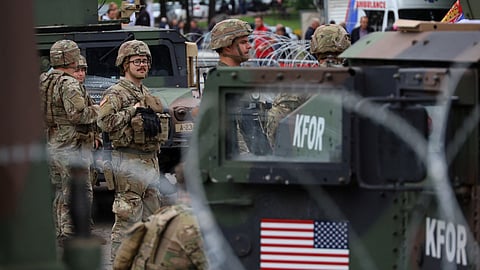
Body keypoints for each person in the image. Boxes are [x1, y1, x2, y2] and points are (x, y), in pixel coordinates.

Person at [97, 40, 168, 260]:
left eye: (145, 61)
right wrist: (133, 110)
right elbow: (104, 122)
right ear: (125, 64)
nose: (142, 65)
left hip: (149, 161)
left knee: (152, 220)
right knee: (127, 220)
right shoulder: (117, 93)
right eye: (136, 61)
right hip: (128, 163)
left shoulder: (145, 91)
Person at [39, 40, 99, 244]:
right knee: (78, 188)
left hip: (52, 140)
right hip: (72, 144)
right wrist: (101, 109)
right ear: (71, 57)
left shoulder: (44, 79)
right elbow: (78, 115)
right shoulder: (69, 83)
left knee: (58, 189)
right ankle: (72, 233)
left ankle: (59, 231)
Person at [266, 24, 351, 148]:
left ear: (314, 47)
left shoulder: (300, 83)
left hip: (308, 157)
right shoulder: (354, 80)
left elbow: (276, 122)